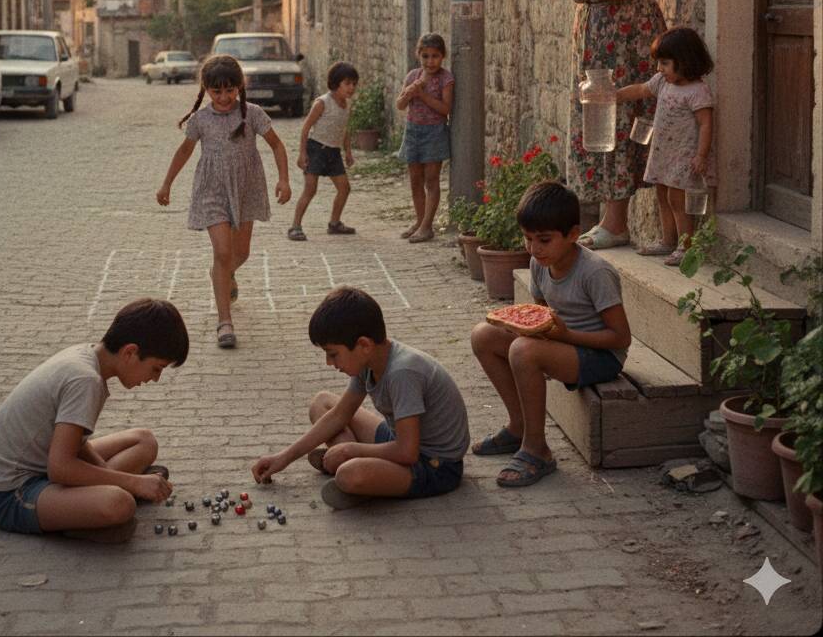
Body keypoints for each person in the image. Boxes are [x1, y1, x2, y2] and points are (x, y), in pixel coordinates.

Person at [540, 0, 667, 250]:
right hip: (591, 37)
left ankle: (617, 222)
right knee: (594, 120)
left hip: (627, 35)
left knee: (621, 117)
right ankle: (605, 219)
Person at [0, 298, 188, 542]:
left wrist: (120, 479)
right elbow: (60, 468)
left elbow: (76, 444)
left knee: (144, 441)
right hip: (12, 492)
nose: (155, 379)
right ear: (130, 352)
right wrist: (132, 483)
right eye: (156, 368)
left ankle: (85, 504)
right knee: (119, 503)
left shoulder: (87, 356)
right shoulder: (85, 380)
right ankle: (78, 519)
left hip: (46, 462)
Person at [469, 182, 631, 487]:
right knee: (483, 335)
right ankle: (517, 427)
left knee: (522, 351)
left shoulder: (595, 272)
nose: (534, 248)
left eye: (543, 240)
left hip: (601, 356)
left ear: (573, 234)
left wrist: (564, 336)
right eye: (528, 239)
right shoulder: (538, 263)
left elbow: (620, 339)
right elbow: (541, 314)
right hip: (562, 342)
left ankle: (537, 449)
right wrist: (525, 328)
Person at [251, 286, 470, 510]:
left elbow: (407, 452)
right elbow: (338, 415)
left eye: (333, 354)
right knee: (322, 402)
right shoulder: (369, 360)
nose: (329, 362)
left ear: (363, 345)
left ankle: (357, 475)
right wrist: (283, 458)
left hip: (434, 466)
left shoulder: (403, 373)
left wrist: (351, 450)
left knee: (350, 475)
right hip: (398, 440)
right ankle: (360, 469)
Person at [157, 54, 291, 349]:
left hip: (246, 188)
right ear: (206, 89)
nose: (224, 97)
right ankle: (224, 322)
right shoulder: (200, 120)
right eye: (216, 91)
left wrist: (284, 178)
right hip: (212, 190)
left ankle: (226, 275)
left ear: (239, 86)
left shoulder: (252, 114)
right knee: (222, 252)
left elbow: (277, 145)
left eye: (229, 90)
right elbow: (184, 151)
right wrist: (167, 183)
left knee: (239, 255)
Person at [616, 27, 715, 266]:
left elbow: (705, 124)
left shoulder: (697, 91)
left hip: (683, 155)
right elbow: (641, 89)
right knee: (662, 194)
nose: (660, 69)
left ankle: (686, 245)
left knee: (676, 199)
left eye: (665, 63)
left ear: (685, 62)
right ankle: (668, 240)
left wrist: (701, 155)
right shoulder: (662, 82)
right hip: (663, 152)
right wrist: (615, 95)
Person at [288, 61, 359, 241]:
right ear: (336, 84)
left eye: (354, 84)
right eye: (347, 83)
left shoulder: (346, 105)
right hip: (316, 149)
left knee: (344, 188)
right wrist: (302, 153)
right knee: (310, 189)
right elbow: (306, 128)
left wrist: (348, 152)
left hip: (333, 152)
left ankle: (334, 223)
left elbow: (344, 130)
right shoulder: (322, 102)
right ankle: (295, 226)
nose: (351, 88)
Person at [395, 33, 455, 243]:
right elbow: (400, 105)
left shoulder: (445, 79)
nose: (430, 61)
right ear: (418, 55)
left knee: (431, 180)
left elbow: (445, 109)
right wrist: (409, 93)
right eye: (426, 56)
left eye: (435, 56)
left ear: (443, 56)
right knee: (415, 180)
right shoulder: (413, 76)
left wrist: (423, 96)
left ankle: (427, 226)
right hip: (413, 131)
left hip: (434, 133)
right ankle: (420, 222)